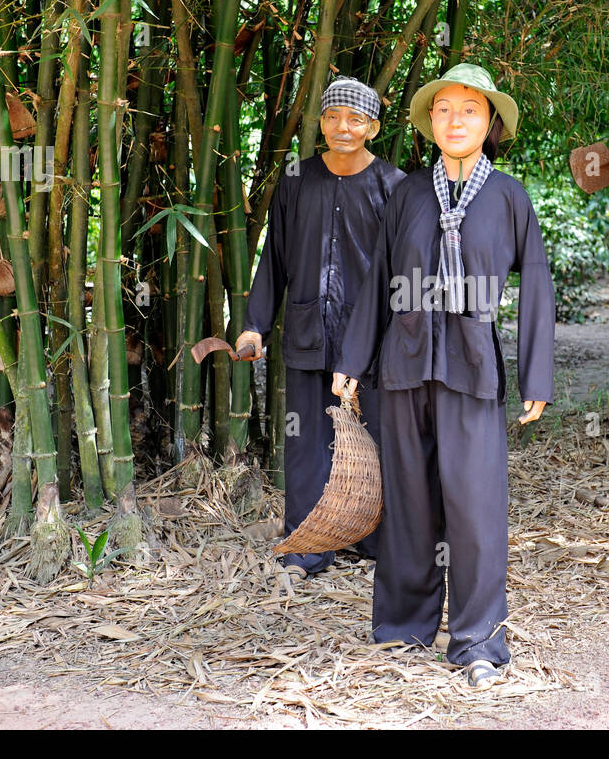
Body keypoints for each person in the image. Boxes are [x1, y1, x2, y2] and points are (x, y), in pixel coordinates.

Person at [332, 63, 554, 689]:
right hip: (403, 362)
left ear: (490, 124)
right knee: (406, 501)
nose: (456, 121)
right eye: (444, 110)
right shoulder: (405, 194)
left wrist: (537, 373)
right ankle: (404, 625)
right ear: (431, 122)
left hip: (471, 363)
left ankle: (479, 642)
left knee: (475, 505)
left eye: (470, 110)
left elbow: (535, 284)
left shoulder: (509, 196)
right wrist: (352, 362)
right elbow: (378, 279)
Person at [235, 77, 404, 577]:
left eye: (355, 119)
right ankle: (309, 545)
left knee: (376, 436)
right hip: (308, 327)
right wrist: (255, 325)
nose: (342, 128)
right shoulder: (295, 180)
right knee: (306, 439)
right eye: (332, 117)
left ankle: (376, 539)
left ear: (373, 127)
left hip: (371, 338)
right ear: (320, 124)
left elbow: (401, 271)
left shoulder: (393, 186)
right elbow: (276, 258)